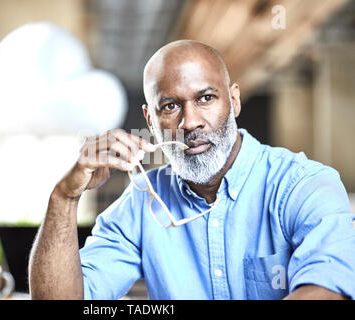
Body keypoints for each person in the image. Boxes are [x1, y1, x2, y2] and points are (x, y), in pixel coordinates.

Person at [28, 40, 355, 300]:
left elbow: (328, 290)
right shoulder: (142, 203)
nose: (190, 122)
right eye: (170, 106)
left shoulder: (305, 186)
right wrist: (65, 195)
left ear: (234, 101)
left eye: (206, 98)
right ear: (150, 121)